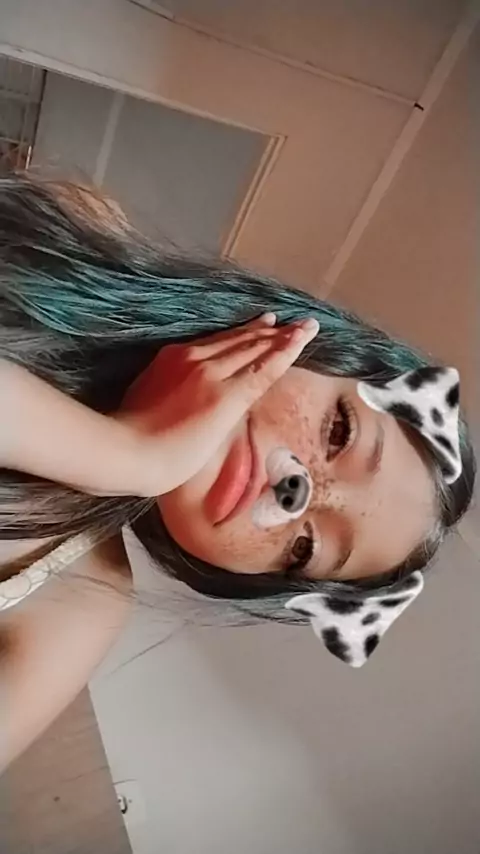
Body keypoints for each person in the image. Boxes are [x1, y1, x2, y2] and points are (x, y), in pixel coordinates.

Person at [0, 175, 476, 769]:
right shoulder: (81, 225)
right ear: (321, 347)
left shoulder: (74, 610)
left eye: (304, 549)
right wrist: (123, 453)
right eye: (338, 432)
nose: (299, 495)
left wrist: (128, 458)